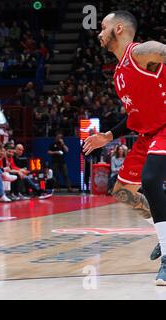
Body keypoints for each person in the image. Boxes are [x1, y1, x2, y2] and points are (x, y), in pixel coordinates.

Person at [83, 10, 166, 285]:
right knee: (122, 192)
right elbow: (134, 116)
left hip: (165, 128)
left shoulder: (141, 52)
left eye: (103, 26)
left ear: (118, 29)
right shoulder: (118, 72)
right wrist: (108, 135)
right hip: (146, 134)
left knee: (151, 180)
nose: (98, 32)